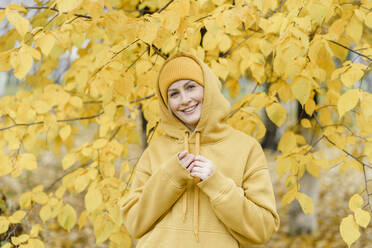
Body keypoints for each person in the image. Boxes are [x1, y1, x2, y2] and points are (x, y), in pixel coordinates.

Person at [121, 53, 280, 247]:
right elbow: (134, 223)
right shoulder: (155, 151)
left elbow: (262, 228)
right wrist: (170, 177)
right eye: (174, 93)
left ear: (209, 89)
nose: (185, 99)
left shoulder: (246, 149)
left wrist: (217, 185)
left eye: (191, 87)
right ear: (166, 103)